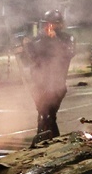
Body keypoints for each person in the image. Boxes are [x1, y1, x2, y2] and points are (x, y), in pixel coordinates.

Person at [23, 10, 75, 140]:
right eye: (47, 23)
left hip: (57, 84)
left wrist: (55, 39)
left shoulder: (67, 38)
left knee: (48, 115)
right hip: (39, 83)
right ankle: (48, 141)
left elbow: (69, 53)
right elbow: (32, 60)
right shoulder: (37, 40)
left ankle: (46, 141)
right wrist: (23, 48)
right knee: (43, 114)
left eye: (52, 24)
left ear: (60, 25)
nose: (49, 27)